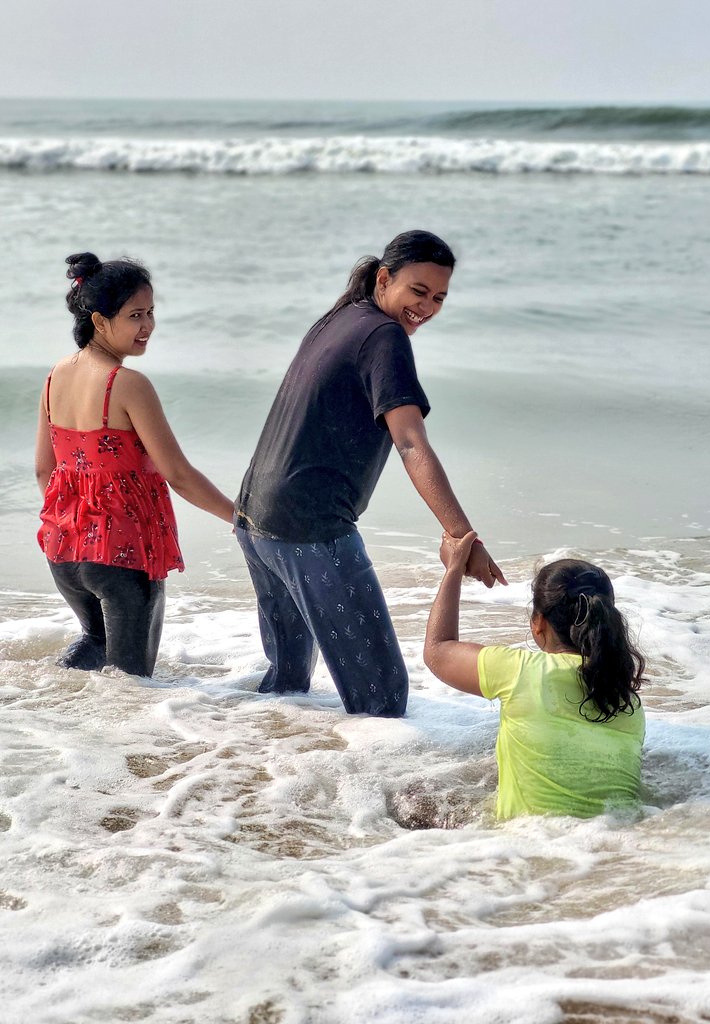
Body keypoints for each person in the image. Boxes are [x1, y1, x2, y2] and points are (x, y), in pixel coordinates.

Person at [235, 229, 506, 717]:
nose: (426, 306)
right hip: (309, 528)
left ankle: (257, 776)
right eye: (418, 291)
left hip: (256, 520)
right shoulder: (385, 337)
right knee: (382, 700)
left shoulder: (340, 318)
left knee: (287, 688)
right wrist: (462, 534)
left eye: (439, 297)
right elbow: (409, 441)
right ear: (385, 278)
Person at [35, 252, 234, 677]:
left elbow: (43, 470)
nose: (147, 327)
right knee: (131, 686)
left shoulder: (54, 376)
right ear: (99, 321)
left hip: (65, 554)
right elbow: (177, 473)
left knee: (92, 649)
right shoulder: (126, 384)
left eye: (150, 313)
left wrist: (73, 527)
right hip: (122, 555)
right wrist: (239, 516)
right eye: (135, 315)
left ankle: (41, 713)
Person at [424, 531, 645, 819]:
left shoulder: (521, 672)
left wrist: (454, 568)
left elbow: (437, 651)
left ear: (538, 623)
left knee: (410, 798)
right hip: (606, 846)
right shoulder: (628, 702)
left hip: (522, 850)